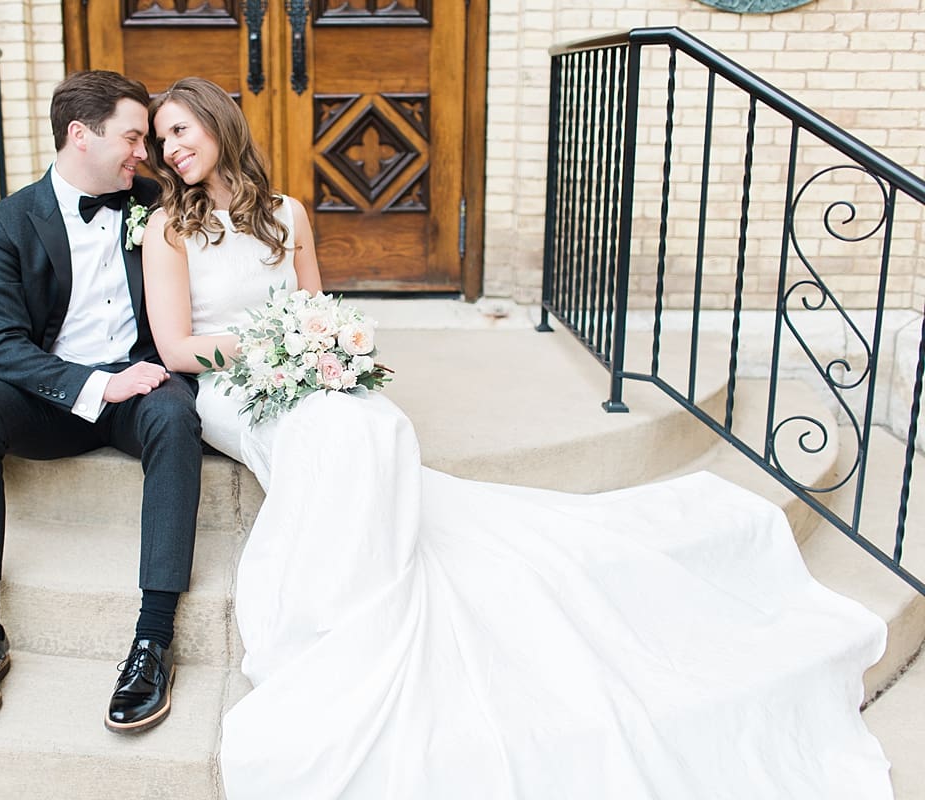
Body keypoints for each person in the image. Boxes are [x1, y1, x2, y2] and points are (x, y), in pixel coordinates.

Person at [142, 77, 893, 798]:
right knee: (331, 437)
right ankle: (347, 612)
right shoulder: (167, 228)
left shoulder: (288, 213)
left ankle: (376, 566)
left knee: (378, 424)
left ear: (217, 121)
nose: (170, 148)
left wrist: (315, 342)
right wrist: (272, 344)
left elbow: (315, 307)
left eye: (180, 129)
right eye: (159, 139)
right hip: (236, 392)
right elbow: (177, 349)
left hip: (302, 370)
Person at [0, 70, 202, 734]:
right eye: (133, 137)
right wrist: (93, 386)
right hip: (53, 397)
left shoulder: (155, 201)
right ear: (80, 136)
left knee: (176, 414)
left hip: (141, 388)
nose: (144, 153)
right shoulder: (3, 224)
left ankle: (152, 640)